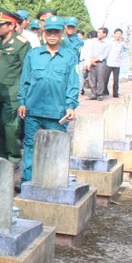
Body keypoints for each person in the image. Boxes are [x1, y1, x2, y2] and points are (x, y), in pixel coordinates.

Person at [17, 15, 79, 183]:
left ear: (62, 34)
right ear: (44, 33)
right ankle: (28, 183)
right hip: (33, 110)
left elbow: (72, 83)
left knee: (55, 149)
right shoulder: (33, 55)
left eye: (56, 32)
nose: (52, 35)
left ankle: (52, 184)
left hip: (57, 112)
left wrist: (70, 106)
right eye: (49, 32)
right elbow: (25, 80)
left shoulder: (70, 56)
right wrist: (22, 102)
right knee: (30, 147)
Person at [0, 9, 31, 166]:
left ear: (12, 26)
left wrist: (23, 96)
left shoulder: (22, 44)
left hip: (12, 91)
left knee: (10, 126)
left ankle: (13, 157)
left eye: (1, 25)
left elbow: (26, 70)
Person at [87, 27, 111, 100]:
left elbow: (105, 55)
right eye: (98, 32)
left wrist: (95, 60)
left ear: (105, 34)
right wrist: (91, 60)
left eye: (100, 32)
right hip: (92, 62)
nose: (98, 34)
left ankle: (100, 93)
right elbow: (91, 51)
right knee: (92, 78)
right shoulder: (95, 41)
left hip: (101, 62)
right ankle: (93, 93)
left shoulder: (108, 43)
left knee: (100, 78)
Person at [104, 28, 128, 98]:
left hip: (117, 63)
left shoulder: (121, 43)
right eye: (118, 34)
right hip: (109, 62)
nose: (119, 35)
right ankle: (105, 91)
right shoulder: (109, 42)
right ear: (114, 34)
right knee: (106, 78)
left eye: (120, 34)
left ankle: (115, 92)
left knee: (116, 79)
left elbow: (123, 51)